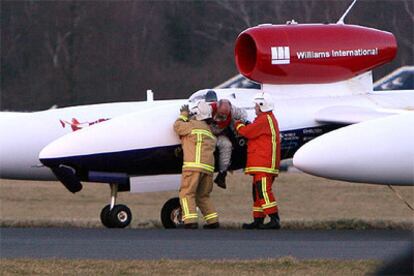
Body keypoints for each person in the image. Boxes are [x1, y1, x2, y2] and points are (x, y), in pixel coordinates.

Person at [234, 92, 281, 230]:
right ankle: (258, 220)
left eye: (256, 105)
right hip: (262, 163)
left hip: (263, 163)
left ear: (262, 105)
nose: (254, 108)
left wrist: (237, 124)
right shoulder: (265, 119)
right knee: (257, 192)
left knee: (263, 191)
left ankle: (274, 219)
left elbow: (247, 132)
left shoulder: (264, 119)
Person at [173, 101, 219, 229]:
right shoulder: (209, 131)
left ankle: (190, 221)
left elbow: (177, 127)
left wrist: (183, 115)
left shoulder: (192, 125)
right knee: (203, 196)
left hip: (193, 167)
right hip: (208, 169)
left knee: (186, 193)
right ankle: (213, 221)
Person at [206, 91, 247, 189]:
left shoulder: (233, 110)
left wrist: (239, 124)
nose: (223, 117)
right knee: (207, 145)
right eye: (221, 114)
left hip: (220, 134)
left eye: (225, 114)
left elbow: (244, 115)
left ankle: (222, 174)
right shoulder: (208, 108)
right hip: (207, 134)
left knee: (227, 145)